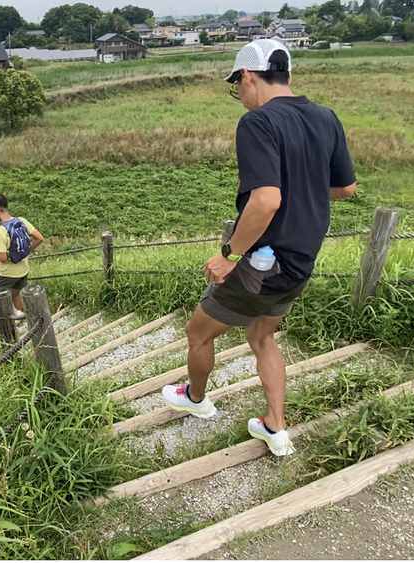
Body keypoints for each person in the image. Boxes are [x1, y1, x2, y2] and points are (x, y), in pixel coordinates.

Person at [160, 39, 357, 457]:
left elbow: (266, 201)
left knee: (197, 331)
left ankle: (194, 399)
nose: (241, 97)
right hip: (300, 264)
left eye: (238, 87)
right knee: (263, 336)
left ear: (248, 76)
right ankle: (275, 428)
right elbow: (346, 187)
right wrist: (298, 185)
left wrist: (229, 256)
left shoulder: (259, 122)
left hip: (261, 265)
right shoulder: (325, 117)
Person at [0, 194, 45, 318]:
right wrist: (27, 251)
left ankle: (14, 313)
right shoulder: (22, 221)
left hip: (7, 273)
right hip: (23, 270)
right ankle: (20, 318)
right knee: (15, 294)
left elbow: (2, 258)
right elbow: (40, 238)